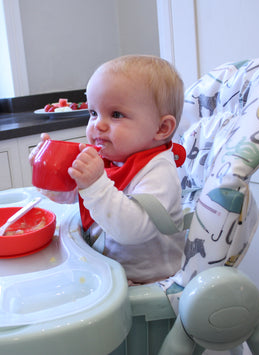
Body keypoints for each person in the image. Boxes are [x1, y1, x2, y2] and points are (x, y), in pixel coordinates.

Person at [30, 55, 186, 284]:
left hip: (144, 285)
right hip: (104, 271)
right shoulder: (117, 157)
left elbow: (132, 230)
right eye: (93, 113)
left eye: (116, 115)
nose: (98, 125)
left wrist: (94, 184)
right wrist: (51, 176)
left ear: (162, 128)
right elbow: (82, 199)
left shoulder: (158, 172)